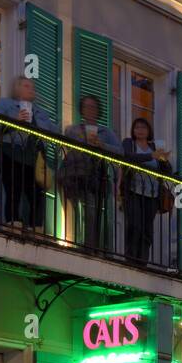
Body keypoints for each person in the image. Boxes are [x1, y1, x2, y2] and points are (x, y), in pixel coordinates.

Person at [0, 76, 57, 231]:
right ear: (17, 88)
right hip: (10, 151)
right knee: (13, 190)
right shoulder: (6, 104)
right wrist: (13, 119)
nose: (31, 89)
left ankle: (37, 228)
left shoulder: (40, 111)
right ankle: (13, 224)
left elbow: (53, 132)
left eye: (32, 87)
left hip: (33, 155)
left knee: (36, 194)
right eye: (27, 86)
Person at [60, 95, 120, 250]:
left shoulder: (105, 132)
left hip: (95, 178)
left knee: (91, 214)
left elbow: (120, 152)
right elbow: (67, 143)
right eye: (86, 106)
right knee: (73, 213)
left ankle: (89, 247)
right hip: (73, 175)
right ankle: (73, 243)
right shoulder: (73, 129)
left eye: (93, 107)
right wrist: (83, 141)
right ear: (82, 110)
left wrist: (102, 145)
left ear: (98, 110)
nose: (90, 110)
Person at [118, 117, 172, 262]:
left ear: (149, 131)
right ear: (133, 131)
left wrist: (164, 160)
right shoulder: (129, 143)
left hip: (152, 195)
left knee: (146, 230)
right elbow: (128, 157)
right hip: (133, 192)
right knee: (134, 226)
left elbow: (167, 172)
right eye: (137, 127)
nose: (140, 130)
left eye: (143, 127)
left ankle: (142, 262)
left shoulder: (154, 147)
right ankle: (131, 259)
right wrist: (151, 156)